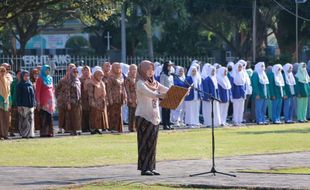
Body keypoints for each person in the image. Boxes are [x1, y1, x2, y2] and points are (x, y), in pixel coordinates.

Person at [135, 60, 168, 176]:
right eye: (148, 69)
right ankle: (144, 168)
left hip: (154, 117)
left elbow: (166, 90)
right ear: (143, 70)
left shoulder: (155, 83)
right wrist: (160, 95)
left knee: (152, 144)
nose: (150, 72)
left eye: (152, 69)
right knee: (144, 143)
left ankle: (151, 167)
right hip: (143, 116)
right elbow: (149, 93)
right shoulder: (140, 83)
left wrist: (180, 92)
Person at [55, 63, 76, 133]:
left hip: (71, 100)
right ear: (67, 70)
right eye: (70, 68)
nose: (71, 69)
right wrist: (58, 97)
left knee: (68, 115)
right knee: (61, 114)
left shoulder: (75, 79)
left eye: (73, 68)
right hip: (62, 100)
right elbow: (57, 89)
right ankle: (60, 128)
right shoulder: (62, 79)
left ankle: (67, 128)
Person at [35, 65, 55, 137]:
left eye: (48, 70)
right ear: (43, 70)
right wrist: (38, 102)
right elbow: (38, 91)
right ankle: (44, 133)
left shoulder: (50, 78)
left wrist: (53, 100)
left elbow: (52, 89)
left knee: (50, 116)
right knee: (44, 117)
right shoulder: (40, 79)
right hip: (43, 101)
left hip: (50, 101)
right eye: (46, 70)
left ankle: (50, 132)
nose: (47, 71)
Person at [88, 66, 109, 134]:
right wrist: (92, 102)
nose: (100, 77)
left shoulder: (102, 83)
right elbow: (90, 94)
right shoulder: (91, 83)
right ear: (95, 75)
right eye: (99, 75)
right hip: (95, 101)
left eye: (101, 75)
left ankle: (101, 128)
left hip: (102, 101)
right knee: (94, 115)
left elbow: (105, 93)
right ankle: (94, 129)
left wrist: (106, 100)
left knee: (101, 115)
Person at [107, 62, 127, 132]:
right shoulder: (111, 77)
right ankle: (113, 128)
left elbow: (123, 87)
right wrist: (110, 99)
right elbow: (108, 89)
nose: (118, 69)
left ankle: (119, 128)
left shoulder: (121, 76)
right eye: (116, 67)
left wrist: (125, 97)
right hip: (113, 97)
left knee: (119, 113)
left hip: (120, 97)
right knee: (113, 113)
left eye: (119, 67)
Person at [16, 70, 36, 138]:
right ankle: (24, 134)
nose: (27, 77)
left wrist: (34, 104)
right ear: (22, 76)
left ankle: (31, 133)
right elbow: (18, 96)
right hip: (23, 105)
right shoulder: (19, 85)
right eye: (25, 76)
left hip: (31, 105)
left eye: (27, 76)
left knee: (31, 119)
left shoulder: (30, 84)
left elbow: (33, 95)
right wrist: (19, 106)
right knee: (24, 120)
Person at [230, 61, 246, 126]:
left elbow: (244, 85)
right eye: (239, 67)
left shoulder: (242, 74)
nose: (240, 68)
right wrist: (231, 95)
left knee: (241, 108)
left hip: (242, 94)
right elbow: (232, 86)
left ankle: (240, 120)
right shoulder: (233, 75)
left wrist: (244, 93)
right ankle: (235, 121)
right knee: (236, 108)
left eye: (241, 67)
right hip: (236, 94)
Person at [66, 67, 82, 135]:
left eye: (77, 72)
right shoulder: (70, 80)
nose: (75, 73)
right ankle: (72, 130)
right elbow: (67, 92)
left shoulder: (78, 80)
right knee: (72, 116)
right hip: (72, 100)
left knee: (78, 116)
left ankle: (78, 129)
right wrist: (68, 102)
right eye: (74, 72)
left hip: (78, 100)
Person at [159, 61, 174, 130]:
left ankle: (168, 123)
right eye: (169, 66)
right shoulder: (163, 74)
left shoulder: (171, 75)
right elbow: (161, 85)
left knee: (169, 110)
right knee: (164, 110)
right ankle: (165, 124)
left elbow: (172, 85)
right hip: (165, 94)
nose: (170, 67)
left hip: (170, 94)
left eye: (170, 66)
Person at [125, 64, 138, 132]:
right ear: (130, 70)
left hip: (137, 96)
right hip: (131, 96)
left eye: (135, 69)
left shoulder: (137, 78)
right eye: (133, 69)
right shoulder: (128, 78)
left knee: (137, 112)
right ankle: (131, 127)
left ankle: (136, 126)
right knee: (132, 112)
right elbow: (127, 89)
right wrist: (129, 97)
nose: (134, 71)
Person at [80, 66, 92, 132]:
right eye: (84, 70)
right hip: (83, 98)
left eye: (87, 70)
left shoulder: (92, 79)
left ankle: (91, 127)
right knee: (84, 113)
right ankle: (84, 128)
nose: (86, 72)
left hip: (91, 98)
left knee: (91, 113)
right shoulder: (80, 80)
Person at [0, 66, 11, 140]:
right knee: (0, 119)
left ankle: (5, 134)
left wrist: (10, 101)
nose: (2, 73)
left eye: (4, 71)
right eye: (1, 71)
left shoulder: (7, 80)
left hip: (6, 101)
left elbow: (9, 92)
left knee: (7, 119)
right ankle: (1, 135)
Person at [9, 70, 21, 137]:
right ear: (16, 75)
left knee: (21, 118)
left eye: (21, 74)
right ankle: (11, 132)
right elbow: (10, 92)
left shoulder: (23, 82)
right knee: (13, 118)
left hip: (21, 103)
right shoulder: (14, 82)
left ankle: (20, 130)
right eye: (18, 74)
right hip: (14, 103)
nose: (20, 75)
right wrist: (11, 102)